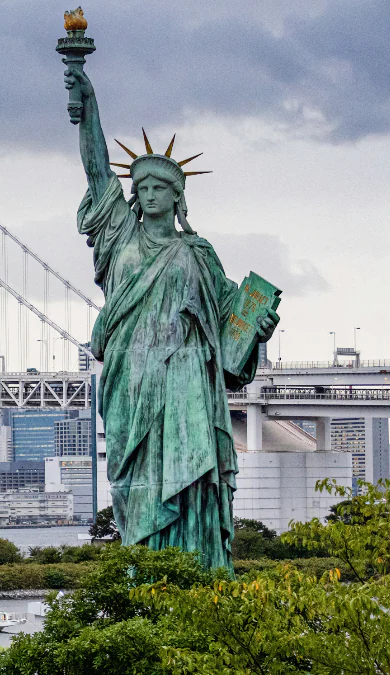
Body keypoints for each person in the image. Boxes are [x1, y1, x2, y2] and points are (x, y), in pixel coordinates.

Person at [63, 64, 278, 570]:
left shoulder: (199, 254)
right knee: (137, 489)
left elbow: (232, 328)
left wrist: (258, 329)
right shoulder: (120, 237)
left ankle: (201, 576)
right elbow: (97, 171)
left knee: (195, 483)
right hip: (131, 379)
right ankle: (146, 582)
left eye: (162, 187)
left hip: (187, 384)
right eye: (143, 187)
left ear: (178, 197)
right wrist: (87, 104)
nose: (151, 194)